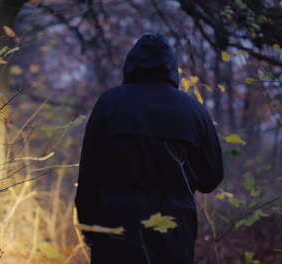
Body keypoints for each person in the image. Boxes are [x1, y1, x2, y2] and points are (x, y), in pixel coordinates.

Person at [74, 34, 224, 264]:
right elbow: (210, 178)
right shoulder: (194, 110)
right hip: (173, 231)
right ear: (172, 68)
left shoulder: (110, 104)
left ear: (130, 64)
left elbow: (89, 175)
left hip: (115, 227)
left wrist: (89, 228)